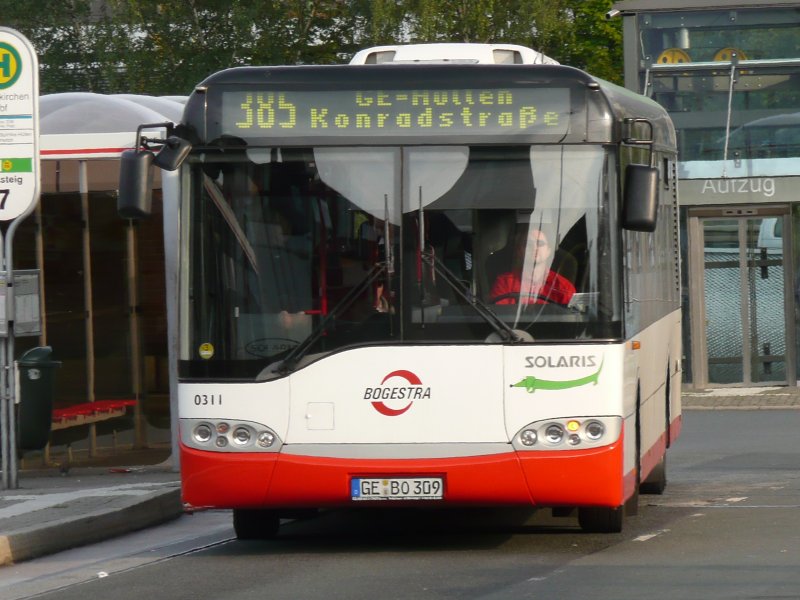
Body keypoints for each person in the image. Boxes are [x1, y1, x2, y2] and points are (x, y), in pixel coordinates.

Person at [490, 227, 575, 305]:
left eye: (540, 244)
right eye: (528, 244)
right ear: (520, 251)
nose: (535, 248)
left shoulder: (564, 287)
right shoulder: (504, 283)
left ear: (549, 251)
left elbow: (571, 318)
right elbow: (498, 317)